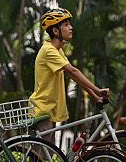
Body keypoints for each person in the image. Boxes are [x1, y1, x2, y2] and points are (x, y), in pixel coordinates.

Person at [29, 8, 110, 136]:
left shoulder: (57, 51)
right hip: (42, 111)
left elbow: (74, 77)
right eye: (66, 25)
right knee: (39, 156)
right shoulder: (48, 51)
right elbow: (73, 71)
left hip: (49, 111)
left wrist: (94, 96)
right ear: (56, 31)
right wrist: (97, 90)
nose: (71, 27)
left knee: (46, 155)